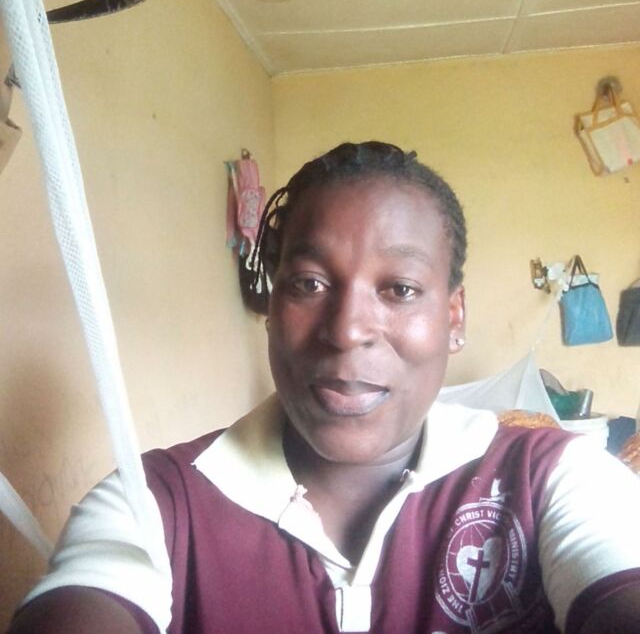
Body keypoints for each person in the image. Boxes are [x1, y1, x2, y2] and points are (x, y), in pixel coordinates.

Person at [8, 141, 640, 634]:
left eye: (400, 289)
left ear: (454, 318)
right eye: (308, 284)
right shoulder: (155, 503)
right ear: (271, 306)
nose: (346, 330)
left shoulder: (550, 478)